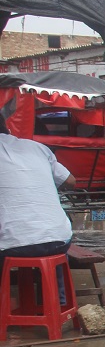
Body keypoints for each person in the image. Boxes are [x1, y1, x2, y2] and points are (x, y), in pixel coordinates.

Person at [0, 114, 77, 302]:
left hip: (14, 244)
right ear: (7, 127)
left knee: (16, 238)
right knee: (48, 240)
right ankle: (57, 302)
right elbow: (71, 181)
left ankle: (6, 307)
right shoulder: (37, 148)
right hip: (60, 238)